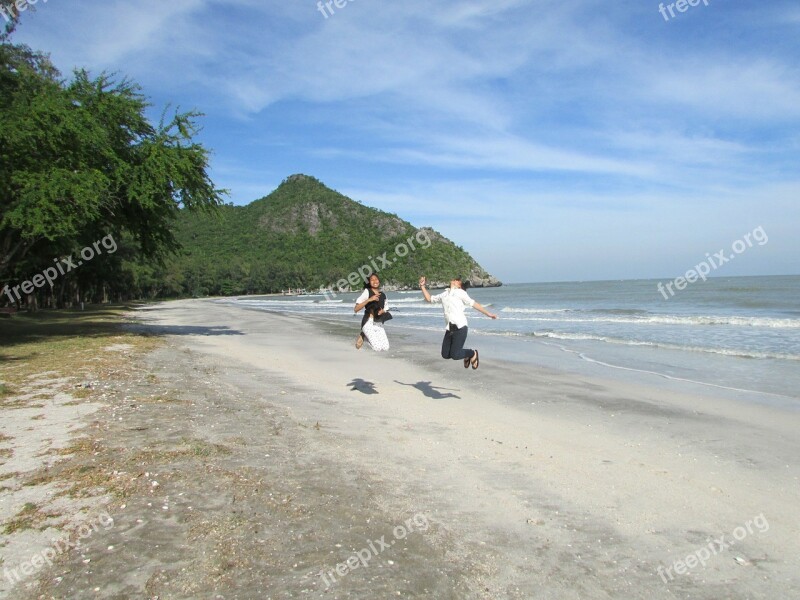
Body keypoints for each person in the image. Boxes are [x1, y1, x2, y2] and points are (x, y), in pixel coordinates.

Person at [419, 275, 497, 369]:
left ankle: (472, 353)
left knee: (455, 355)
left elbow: (474, 304)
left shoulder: (461, 293)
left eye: (457, 280)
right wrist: (422, 286)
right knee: (445, 354)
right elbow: (429, 299)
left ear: (459, 285)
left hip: (460, 327)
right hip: (450, 329)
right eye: (455, 279)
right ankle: (467, 355)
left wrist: (488, 314)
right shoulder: (445, 294)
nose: (455, 280)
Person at [354, 273, 391, 352]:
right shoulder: (367, 292)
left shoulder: (383, 295)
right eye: (372, 280)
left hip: (378, 323)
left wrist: (383, 311)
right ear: (369, 282)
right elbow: (356, 309)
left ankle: (364, 334)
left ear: (379, 281)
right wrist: (369, 299)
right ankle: (364, 335)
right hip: (368, 322)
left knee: (386, 348)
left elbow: (386, 308)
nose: (375, 281)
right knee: (377, 348)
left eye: (376, 279)